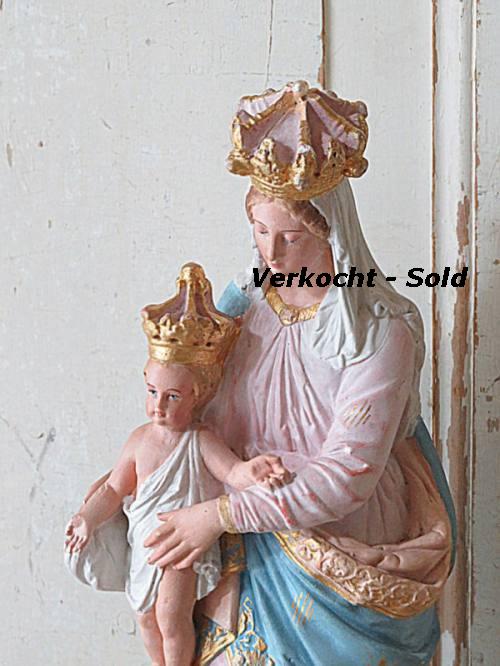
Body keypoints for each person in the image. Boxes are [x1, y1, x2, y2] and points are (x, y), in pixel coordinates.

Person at [87, 82, 457, 665]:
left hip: (337, 543)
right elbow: (182, 402)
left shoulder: (380, 333)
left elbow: (344, 479)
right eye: (261, 231)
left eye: (291, 237)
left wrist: (217, 515)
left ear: (331, 231)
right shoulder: (243, 304)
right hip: (235, 548)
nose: (272, 254)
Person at [64, 263, 290, 666]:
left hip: (183, 544)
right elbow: (114, 489)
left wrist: (253, 471)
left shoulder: (200, 440)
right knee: (146, 620)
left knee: (171, 616)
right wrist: (87, 519)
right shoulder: (139, 440)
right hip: (144, 545)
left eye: (172, 397)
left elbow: (231, 473)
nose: (159, 406)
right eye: (152, 392)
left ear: (197, 396)